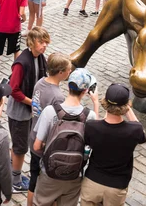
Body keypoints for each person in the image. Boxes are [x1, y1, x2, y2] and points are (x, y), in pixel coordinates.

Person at [32, 68, 99, 206]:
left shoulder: (50, 112)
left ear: (68, 86)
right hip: (73, 176)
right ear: (85, 91)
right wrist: (96, 103)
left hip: (49, 175)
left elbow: (37, 146)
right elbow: (95, 139)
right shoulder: (90, 116)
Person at [81, 84, 146, 206]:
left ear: (105, 102)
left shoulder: (91, 126)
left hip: (92, 182)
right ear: (126, 105)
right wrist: (128, 109)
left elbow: (97, 126)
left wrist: (96, 103)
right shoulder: (134, 130)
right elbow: (142, 136)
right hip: (116, 186)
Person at [7, 27, 51, 193]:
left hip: (28, 110)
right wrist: (32, 102)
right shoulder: (21, 62)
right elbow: (13, 89)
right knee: (20, 148)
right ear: (32, 42)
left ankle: (13, 172)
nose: (44, 45)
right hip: (20, 112)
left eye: (46, 42)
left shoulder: (39, 57)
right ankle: (15, 182)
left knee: (19, 143)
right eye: (41, 42)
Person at [27, 52, 71, 206]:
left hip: (34, 135)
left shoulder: (40, 82)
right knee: (42, 183)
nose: (69, 73)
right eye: (68, 70)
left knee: (33, 179)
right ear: (60, 72)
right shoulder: (57, 96)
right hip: (44, 144)